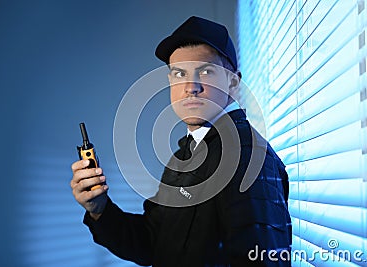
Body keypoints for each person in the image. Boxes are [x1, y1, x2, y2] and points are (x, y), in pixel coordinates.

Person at [70, 16, 292, 267]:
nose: (190, 87)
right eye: (179, 73)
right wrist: (100, 209)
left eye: (206, 71)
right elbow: (154, 242)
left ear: (233, 83)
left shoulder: (246, 156)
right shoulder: (185, 154)